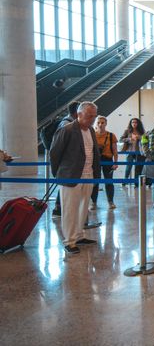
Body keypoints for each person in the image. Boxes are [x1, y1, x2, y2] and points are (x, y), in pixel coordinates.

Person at [49, 102, 100, 255]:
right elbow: (55, 153)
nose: (92, 119)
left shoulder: (91, 130)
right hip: (70, 176)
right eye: (89, 116)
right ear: (79, 114)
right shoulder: (67, 130)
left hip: (88, 175)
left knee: (83, 207)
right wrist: (59, 174)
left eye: (94, 116)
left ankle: (79, 235)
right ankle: (69, 241)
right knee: (70, 209)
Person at [49, 101, 80, 218]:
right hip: (67, 163)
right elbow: (56, 149)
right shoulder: (66, 125)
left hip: (68, 163)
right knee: (65, 186)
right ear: (77, 112)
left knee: (65, 186)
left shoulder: (70, 123)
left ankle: (59, 208)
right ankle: (59, 209)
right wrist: (56, 169)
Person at [90, 116, 118, 210]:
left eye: (102, 122)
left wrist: (115, 162)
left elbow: (114, 150)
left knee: (109, 181)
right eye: (98, 122)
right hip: (95, 161)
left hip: (107, 160)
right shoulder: (92, 134)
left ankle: (110, 201)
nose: (100, 124)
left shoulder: (111, 135)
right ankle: (93, 202)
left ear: (106, 123)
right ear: (96, 123)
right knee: (95, 182)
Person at [120, 117, 146, 187]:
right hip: (130, 152)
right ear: (130, 123)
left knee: (138, 168)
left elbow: (146, 140)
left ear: (138, 124)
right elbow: (121, 139)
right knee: (128, 167)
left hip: (139, 152)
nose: (134, 124)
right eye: (132, 122)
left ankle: (136, 183)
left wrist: (140, 137)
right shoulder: (127, 131)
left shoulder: (142, 131)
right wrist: (129, 139)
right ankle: (125, 181)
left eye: (135, 122)